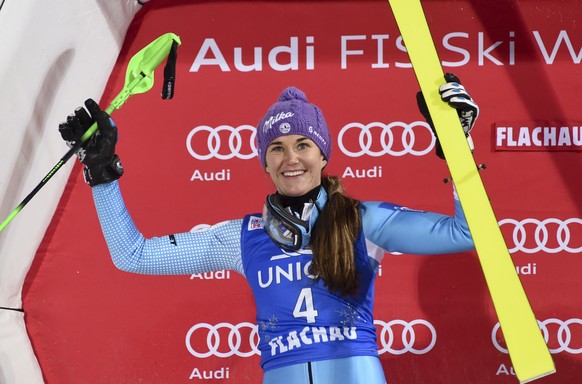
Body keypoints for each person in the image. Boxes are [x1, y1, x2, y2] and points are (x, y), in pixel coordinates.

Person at [59, 75, 478, 384]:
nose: (290, 157)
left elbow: (466, 232)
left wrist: (460, 146)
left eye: (303, 145)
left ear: (323, 155)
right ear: (264, 162)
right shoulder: (243, 237)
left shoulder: (362, 220)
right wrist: (101, 173)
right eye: (276, 147)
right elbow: (132, 255)